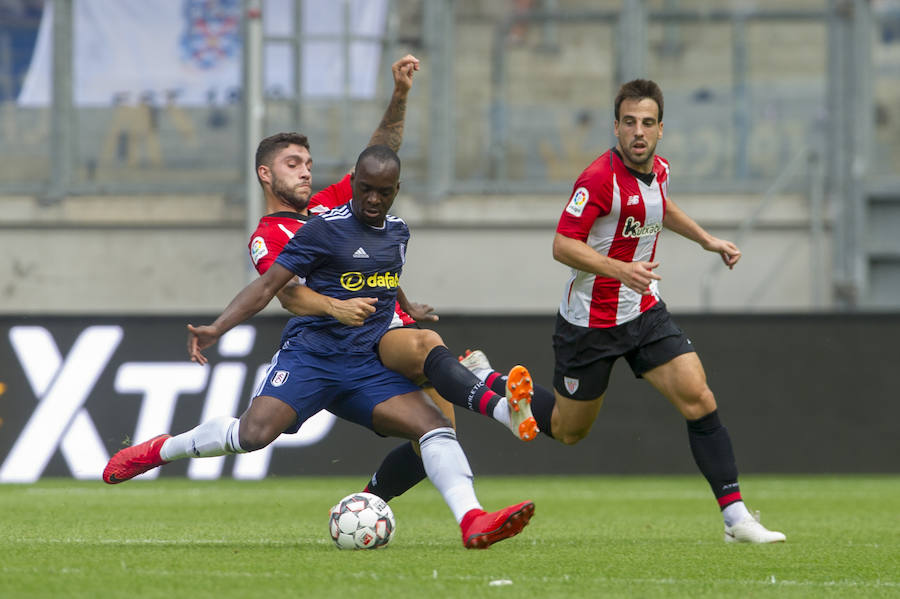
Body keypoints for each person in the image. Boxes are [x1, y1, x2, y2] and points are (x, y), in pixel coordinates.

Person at [103, 145, 535, 549]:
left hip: (366, 366)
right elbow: (271, 287)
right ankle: (161, 450)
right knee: (251, 435)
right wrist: (217, 328)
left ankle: (472, 520)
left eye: (382, 192)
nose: (372, 199)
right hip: (312, 357)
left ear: (396, 192)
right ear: (354, 185)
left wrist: (405, 304)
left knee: (435, 427)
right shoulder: (323, 229)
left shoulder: (399, 233)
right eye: (364, 189)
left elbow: (380, 274)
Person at [454, 79, 785, 544]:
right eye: (629, 122)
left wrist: (707, 240)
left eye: (647, 123)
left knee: (700, 399)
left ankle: (736, 518)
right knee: (570, 432)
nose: (638, 132)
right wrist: (618, 269)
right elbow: (561, 244)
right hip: (589, 325)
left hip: (644, 313)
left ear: (661, 130)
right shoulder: (597, 179)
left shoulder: (660, 171)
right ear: (616, 126)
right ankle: (491, 383)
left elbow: (659, 208)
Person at [244, 55, 536, 503]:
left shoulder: (329, 206)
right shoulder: (268, 237)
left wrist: (400, 94)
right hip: (344, 344)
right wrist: (338, 308)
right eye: (292, 164)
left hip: (386, 325)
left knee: (437, 441)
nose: (305, 171)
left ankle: (371, 502)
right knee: (430, 394)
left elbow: (379, 156)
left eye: (307, 163)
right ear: (266, 174)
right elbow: (291, 295)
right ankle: (487, 390)